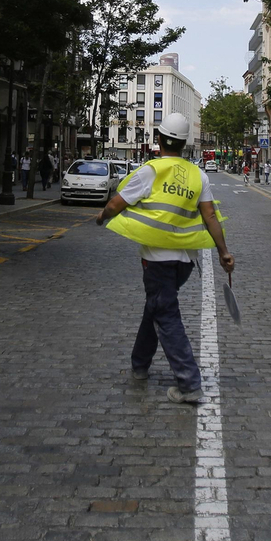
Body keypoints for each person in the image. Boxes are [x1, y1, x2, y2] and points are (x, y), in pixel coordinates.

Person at [94, 111, 233, 404]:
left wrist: (102, 216)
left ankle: (189, 384)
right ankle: (139, 364)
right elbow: (210, 216)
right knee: (156, 306)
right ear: (184, 143)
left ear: (159, 139)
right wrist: (223, 252)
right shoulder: (198, 175)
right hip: (185, 262)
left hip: (157, 260)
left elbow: (117, 203)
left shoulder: (150, 171)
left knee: (166, 314)